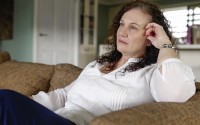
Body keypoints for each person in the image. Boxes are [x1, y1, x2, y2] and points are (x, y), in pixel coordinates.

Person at [0, 0, 196, 125]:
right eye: (121, 24)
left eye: (133, 27)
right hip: (56, 118)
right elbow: (63, 95)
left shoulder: (153, 74)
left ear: (150, 36)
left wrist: (165, 44)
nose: (122, 31)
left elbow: (175, 95)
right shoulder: (96, 65)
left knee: (5, 99)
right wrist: (26, 104)